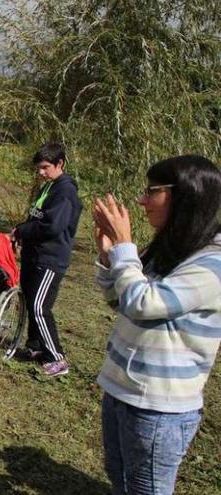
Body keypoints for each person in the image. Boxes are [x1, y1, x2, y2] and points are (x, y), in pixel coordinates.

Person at [93, 155, 221, 495]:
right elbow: (120, 301)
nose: (142, 200)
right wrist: (110, 258)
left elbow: (146, 303)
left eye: (153, 191)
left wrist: (124, 247)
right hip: (123, 389)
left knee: (146, 489)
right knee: (120, 480)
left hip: (158, 406)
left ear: (185, 196)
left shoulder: (213, 263)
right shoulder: (171, 247)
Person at [12, 142, 82, 376]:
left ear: (59, 164)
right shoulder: (49, 187)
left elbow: (52, 226)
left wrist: (24, 231)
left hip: (50, 258)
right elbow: (36, 218)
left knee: (40, 307)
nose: (40, 173)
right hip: (34, 255)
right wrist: (21, 230)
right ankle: (35, 347)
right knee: (30, 300)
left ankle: (57, 358)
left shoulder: (65, 191)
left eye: (44, 167)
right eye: (38, 168)